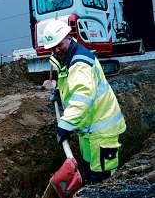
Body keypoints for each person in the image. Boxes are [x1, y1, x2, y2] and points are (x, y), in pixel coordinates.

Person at [43, 19, 126, 183]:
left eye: (59, 45)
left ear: (69, 36)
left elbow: (82, 97)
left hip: (103, 130)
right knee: (89, 170)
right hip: (88, 129)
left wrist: (65, 125)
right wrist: (59, 92)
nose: (56, 50)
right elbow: (69, 83)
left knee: (104, 179)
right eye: (53, 47)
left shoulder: (80, 62)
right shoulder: (66, 58)